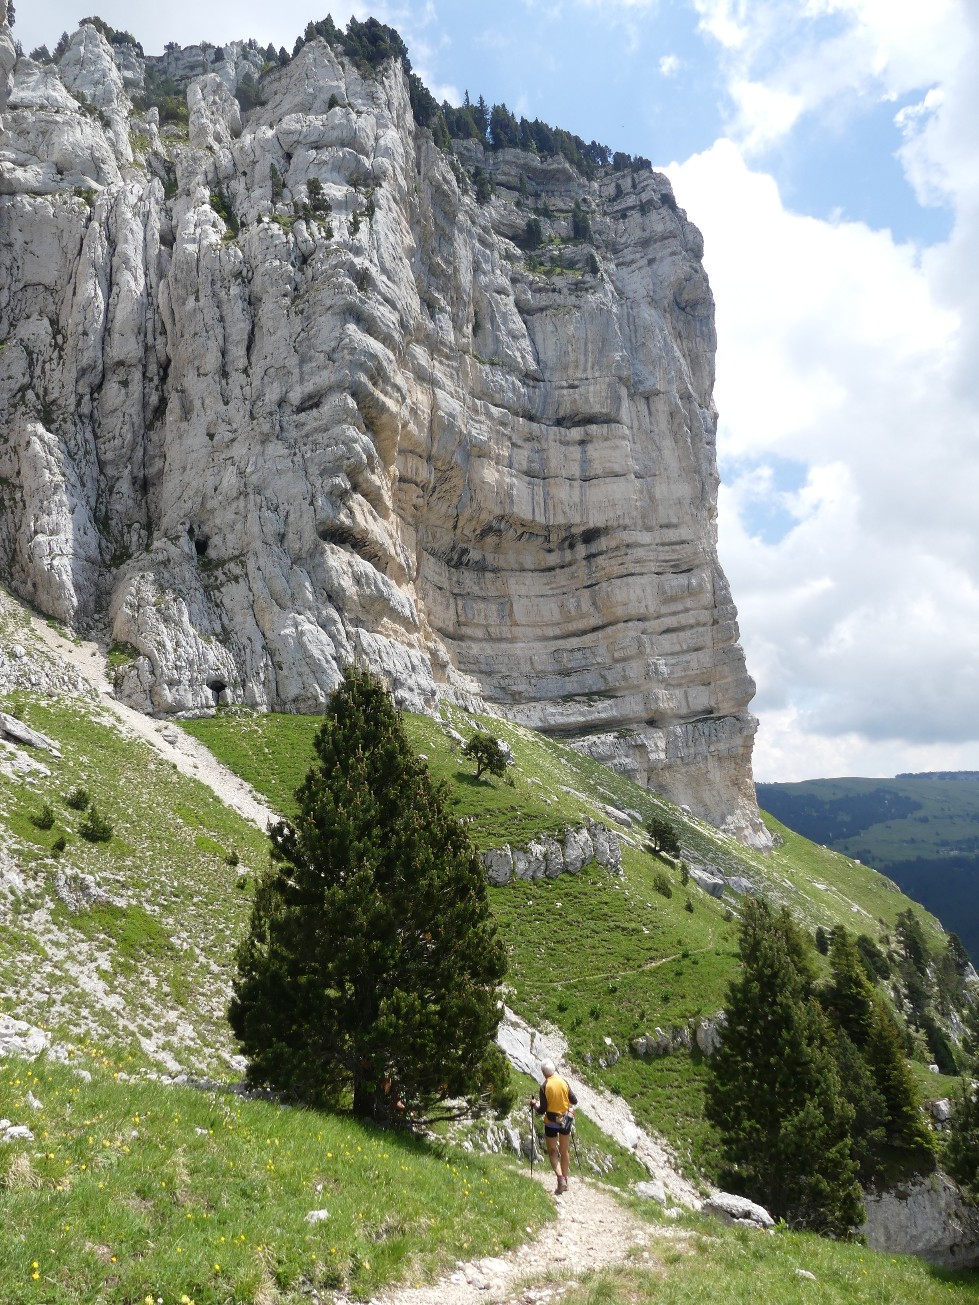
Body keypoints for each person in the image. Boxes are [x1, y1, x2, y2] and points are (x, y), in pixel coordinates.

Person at [530, 1059, 577, 1194]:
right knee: (564, 1150)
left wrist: (534, 1104)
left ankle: (560, 1179)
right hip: (565, 1121)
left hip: (551, 1122)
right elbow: (574, 1100)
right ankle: (566, 1180)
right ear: (554, 1070)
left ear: (544, 1073)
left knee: (552, 1151)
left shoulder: (545, 1086)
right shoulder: (564, 1082)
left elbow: (542, 1109)